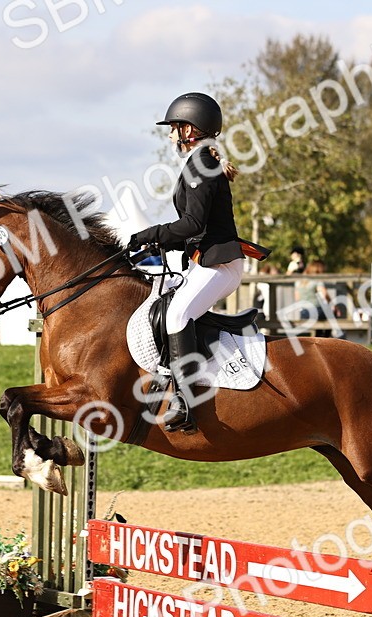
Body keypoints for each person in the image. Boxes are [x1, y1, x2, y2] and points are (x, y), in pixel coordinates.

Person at [127, 91, 267, 434]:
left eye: (175, 127)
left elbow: (193, 224)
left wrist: (151, 233)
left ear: (190, 129)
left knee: (177, 314)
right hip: (206, 261)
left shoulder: (201, 164)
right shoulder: (200, 162)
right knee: (164, 306)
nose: (171, 135)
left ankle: (185, 402)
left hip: (220, 265)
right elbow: (194, 230)